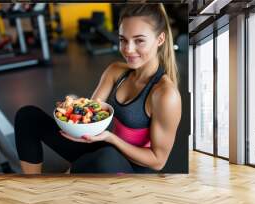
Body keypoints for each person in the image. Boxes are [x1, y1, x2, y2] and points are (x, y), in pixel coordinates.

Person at [14, 3, 181, 174]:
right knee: (28, 116)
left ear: (160, 39)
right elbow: (91, 112)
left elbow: (158, 161)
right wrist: (71, 109)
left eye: (139, 40)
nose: (128, 49)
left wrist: (111, 138)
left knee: (105, 158)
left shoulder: (165, 94)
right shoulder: (116, 71)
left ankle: (76, 172)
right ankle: (33, 184)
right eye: (123, 39)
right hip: (106, 148)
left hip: (134, 167)